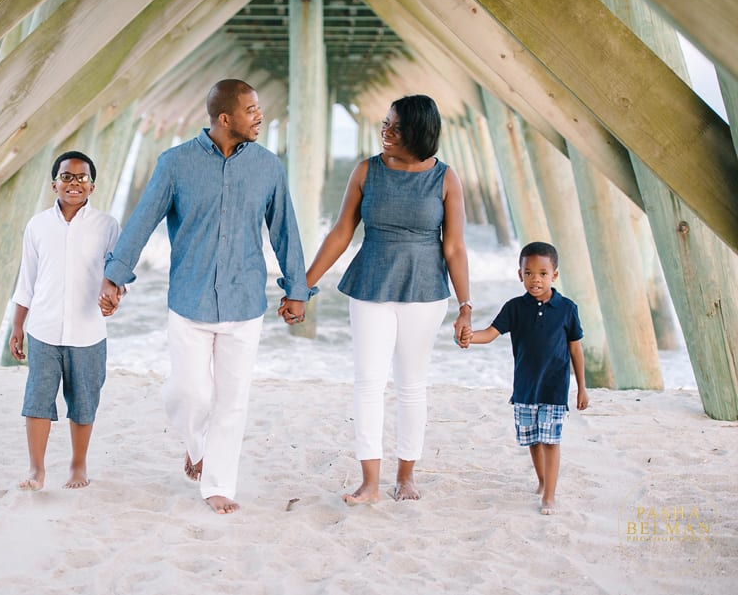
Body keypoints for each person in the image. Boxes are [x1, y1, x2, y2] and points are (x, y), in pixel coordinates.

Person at [100, 79, 314, 514]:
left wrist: (297, 290)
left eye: (259, 108)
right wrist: (115, 276)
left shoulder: (269, 168)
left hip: (245, 302)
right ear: (225, 118)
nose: (259, 116)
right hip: (190, 301)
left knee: (232, 401)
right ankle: (196, 445)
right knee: (189, 394)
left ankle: (218, 484)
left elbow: (285, 232)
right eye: (251, 109)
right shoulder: (175, 164)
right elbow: (142, 221)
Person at [300, 94, 471, 505]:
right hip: (371, 285)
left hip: (425, 291)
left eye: (396, 127)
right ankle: (369, 482)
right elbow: (341, 233)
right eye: (385, 124)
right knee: (369, 383)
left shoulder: (445, 179)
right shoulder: (366, 171)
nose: (386, 132)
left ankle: (406, 477)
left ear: (419, 132)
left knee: (412, 385)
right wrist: (302, 286)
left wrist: (466, 307)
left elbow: (455, 249)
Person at [9, 150, 121, 491]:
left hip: (88, 331)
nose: (74, 184)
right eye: (67, 177)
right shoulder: (38, 225)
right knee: (38, 399)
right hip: (43, 328)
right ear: (54, 184)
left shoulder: (107, 226)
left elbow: (117, 275)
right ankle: (36, 470)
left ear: (93, 186)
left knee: (84, 403)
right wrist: (17, 326)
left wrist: (114, 296)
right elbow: (26, 280)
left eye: (81, 178)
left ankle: (77, 466)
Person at [458, 241, 589, 515]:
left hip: (554, 387)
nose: (535, 279)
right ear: (520, 274)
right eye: (528, 273)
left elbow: (576, 348)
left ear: (554, 275)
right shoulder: (515, 308)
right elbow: (491, 333)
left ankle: (549, 496)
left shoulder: (567, 309)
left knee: (551, 441)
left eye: (542, 273)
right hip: (526, 387)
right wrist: (471, 337)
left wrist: (581, 388)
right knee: (533, 439)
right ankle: (542, 481)